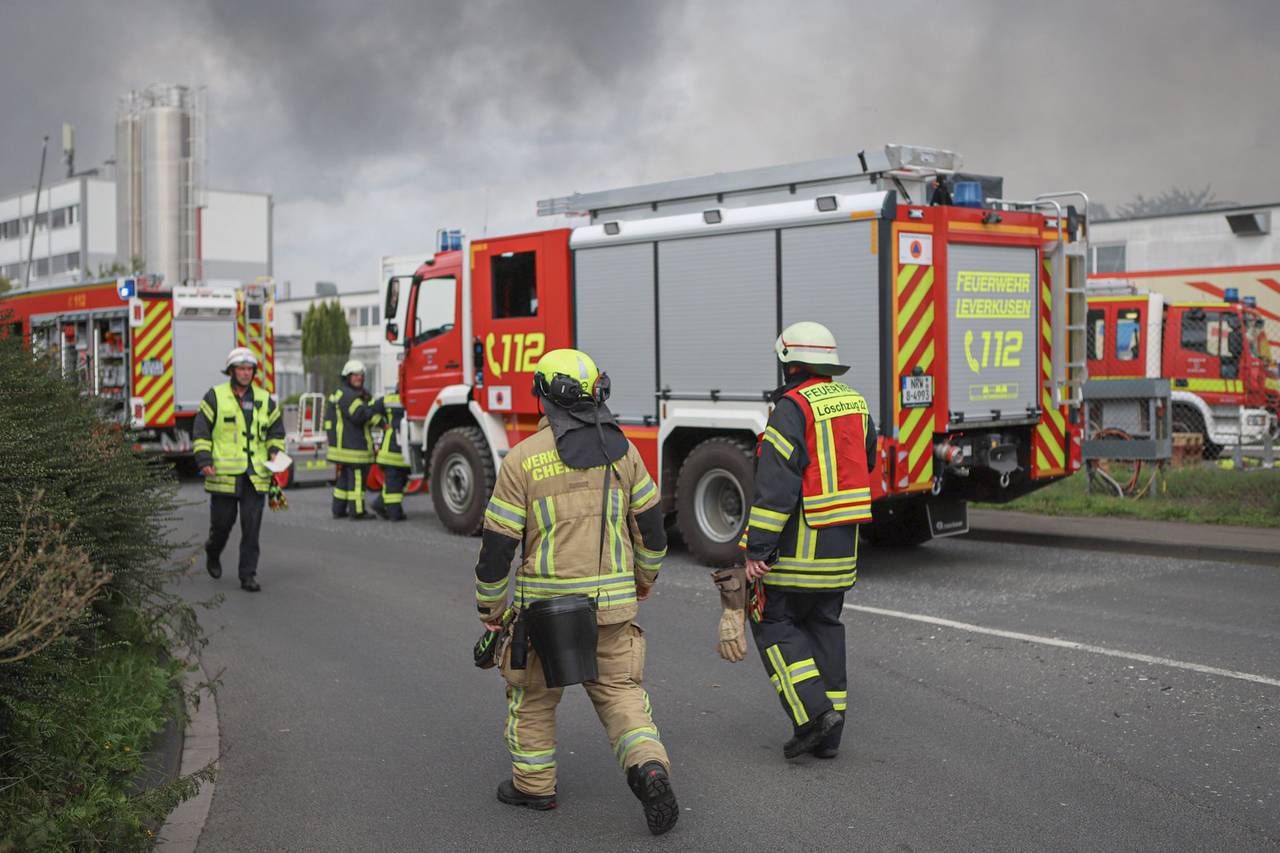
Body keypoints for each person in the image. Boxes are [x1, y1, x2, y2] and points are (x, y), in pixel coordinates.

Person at [474, 348, 678, 835]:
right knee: (621, 696)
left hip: (544, 614)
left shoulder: (522, 459)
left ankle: (534, 786)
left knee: (533, 698)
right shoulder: (623, 452)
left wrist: (490, 608)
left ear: (544, 397)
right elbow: (652, 532)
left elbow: (498, 548)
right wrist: (644, 580)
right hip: (612, 609)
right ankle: (649, 768)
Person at [713, 321, 877, 760]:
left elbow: (776, 489)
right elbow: (866, 462)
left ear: (790, 364)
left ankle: (813, 715)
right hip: (842, 554)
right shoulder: (856, 403)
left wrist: (758, 550)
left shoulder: (792, 408)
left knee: (773, 623)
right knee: (825, 628)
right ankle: (830, 739)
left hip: (797, 555)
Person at [192, 347, 286, 592]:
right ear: (231, 371)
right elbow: (201, 431)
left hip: (256, 475)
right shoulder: (215, 396)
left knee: (251, 528)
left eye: (249, 369)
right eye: (241, 369)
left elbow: (276, 432)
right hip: (223, 474)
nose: (246, 373)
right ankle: (213, 550)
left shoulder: (265, 399)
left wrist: (275, 451)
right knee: (222, 525)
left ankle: (248, 575)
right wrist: (204, 459)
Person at [324, 360, 374, 519]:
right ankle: (357, 511)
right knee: (357, 480)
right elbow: (359, 415)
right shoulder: (348, 395)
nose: (359, 378)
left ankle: (338, 510)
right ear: (347, 376)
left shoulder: (341, 392)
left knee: (344, 479)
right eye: (355, 375)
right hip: (353, 447)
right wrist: (374, 407)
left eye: (361, 375)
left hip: (343, 446)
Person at [369, 385, 410, 521]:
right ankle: (394, 513)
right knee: (395, 484)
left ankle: (380, 504)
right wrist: (382, 423)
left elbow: (369, 409)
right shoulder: (411, 399)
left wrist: (381, 423)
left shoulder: (388, 400)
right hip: (397, 452)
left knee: (395, 483)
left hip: (391, 450)